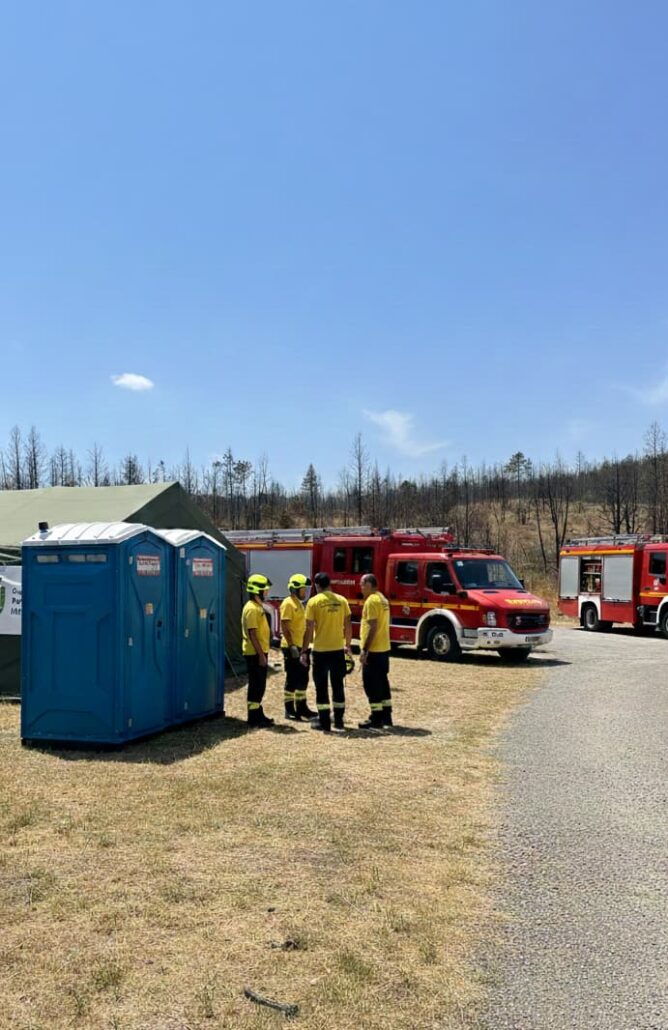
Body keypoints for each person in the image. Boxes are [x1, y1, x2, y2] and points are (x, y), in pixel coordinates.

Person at [300, 571, 352, 732]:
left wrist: (304, 650)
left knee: (321, 688)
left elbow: (308, 628)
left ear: (316, 586)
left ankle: (325, 723)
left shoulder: (313, 602)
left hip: (320, 651)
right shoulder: (342, 601)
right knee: (338, 686)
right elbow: (348, 625)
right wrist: (348, 645)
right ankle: (339, 721)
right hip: (337, 650)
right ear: (330, 584)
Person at [280, 573, 317, 720]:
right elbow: (284, 625)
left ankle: (302, 708)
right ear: (295, 589)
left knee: (303, 678)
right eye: (303, 589)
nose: (305, 592)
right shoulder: (288, 603)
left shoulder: (299, 604)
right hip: (292, 647)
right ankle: (289, 710)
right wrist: (292, 646)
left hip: (302, 648)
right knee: (292, 679)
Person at [358, 572, 393, 729]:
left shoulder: (371, 601)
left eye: (362, 584)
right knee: (383, 683)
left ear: (369, 585)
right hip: (384, 648)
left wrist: (365, 649)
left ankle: (376, 718)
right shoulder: (383, 599)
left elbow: (372, 626)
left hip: (374, 650)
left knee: (371, 685)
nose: (361, 587)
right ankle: (387, 717)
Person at [242, 573, 274, 728]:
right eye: (265, 590)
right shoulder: (252, 609)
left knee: (260, 685)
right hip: (255, 653)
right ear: (257, 591)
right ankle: (253, 718)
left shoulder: (257, 607)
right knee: (256, 685)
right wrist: (261, 655)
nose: (266, 593)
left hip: (260, 652)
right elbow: (252, 634)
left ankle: (258, 713)